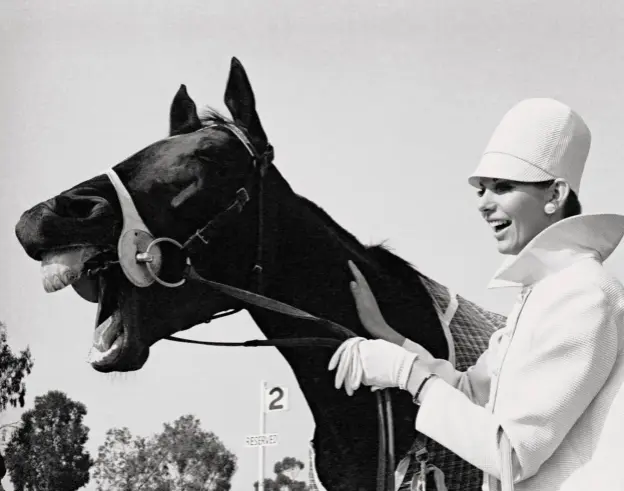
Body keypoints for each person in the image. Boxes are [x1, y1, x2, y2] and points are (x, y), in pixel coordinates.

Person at [328, 98, 624, 491]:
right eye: (482, 189)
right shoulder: (544, 293)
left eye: (502, 187)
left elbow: (511, 454)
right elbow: (469, 392)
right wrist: (390, 338)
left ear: (555, 195)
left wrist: (404, 371)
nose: (483, 204)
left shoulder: (583, 293)